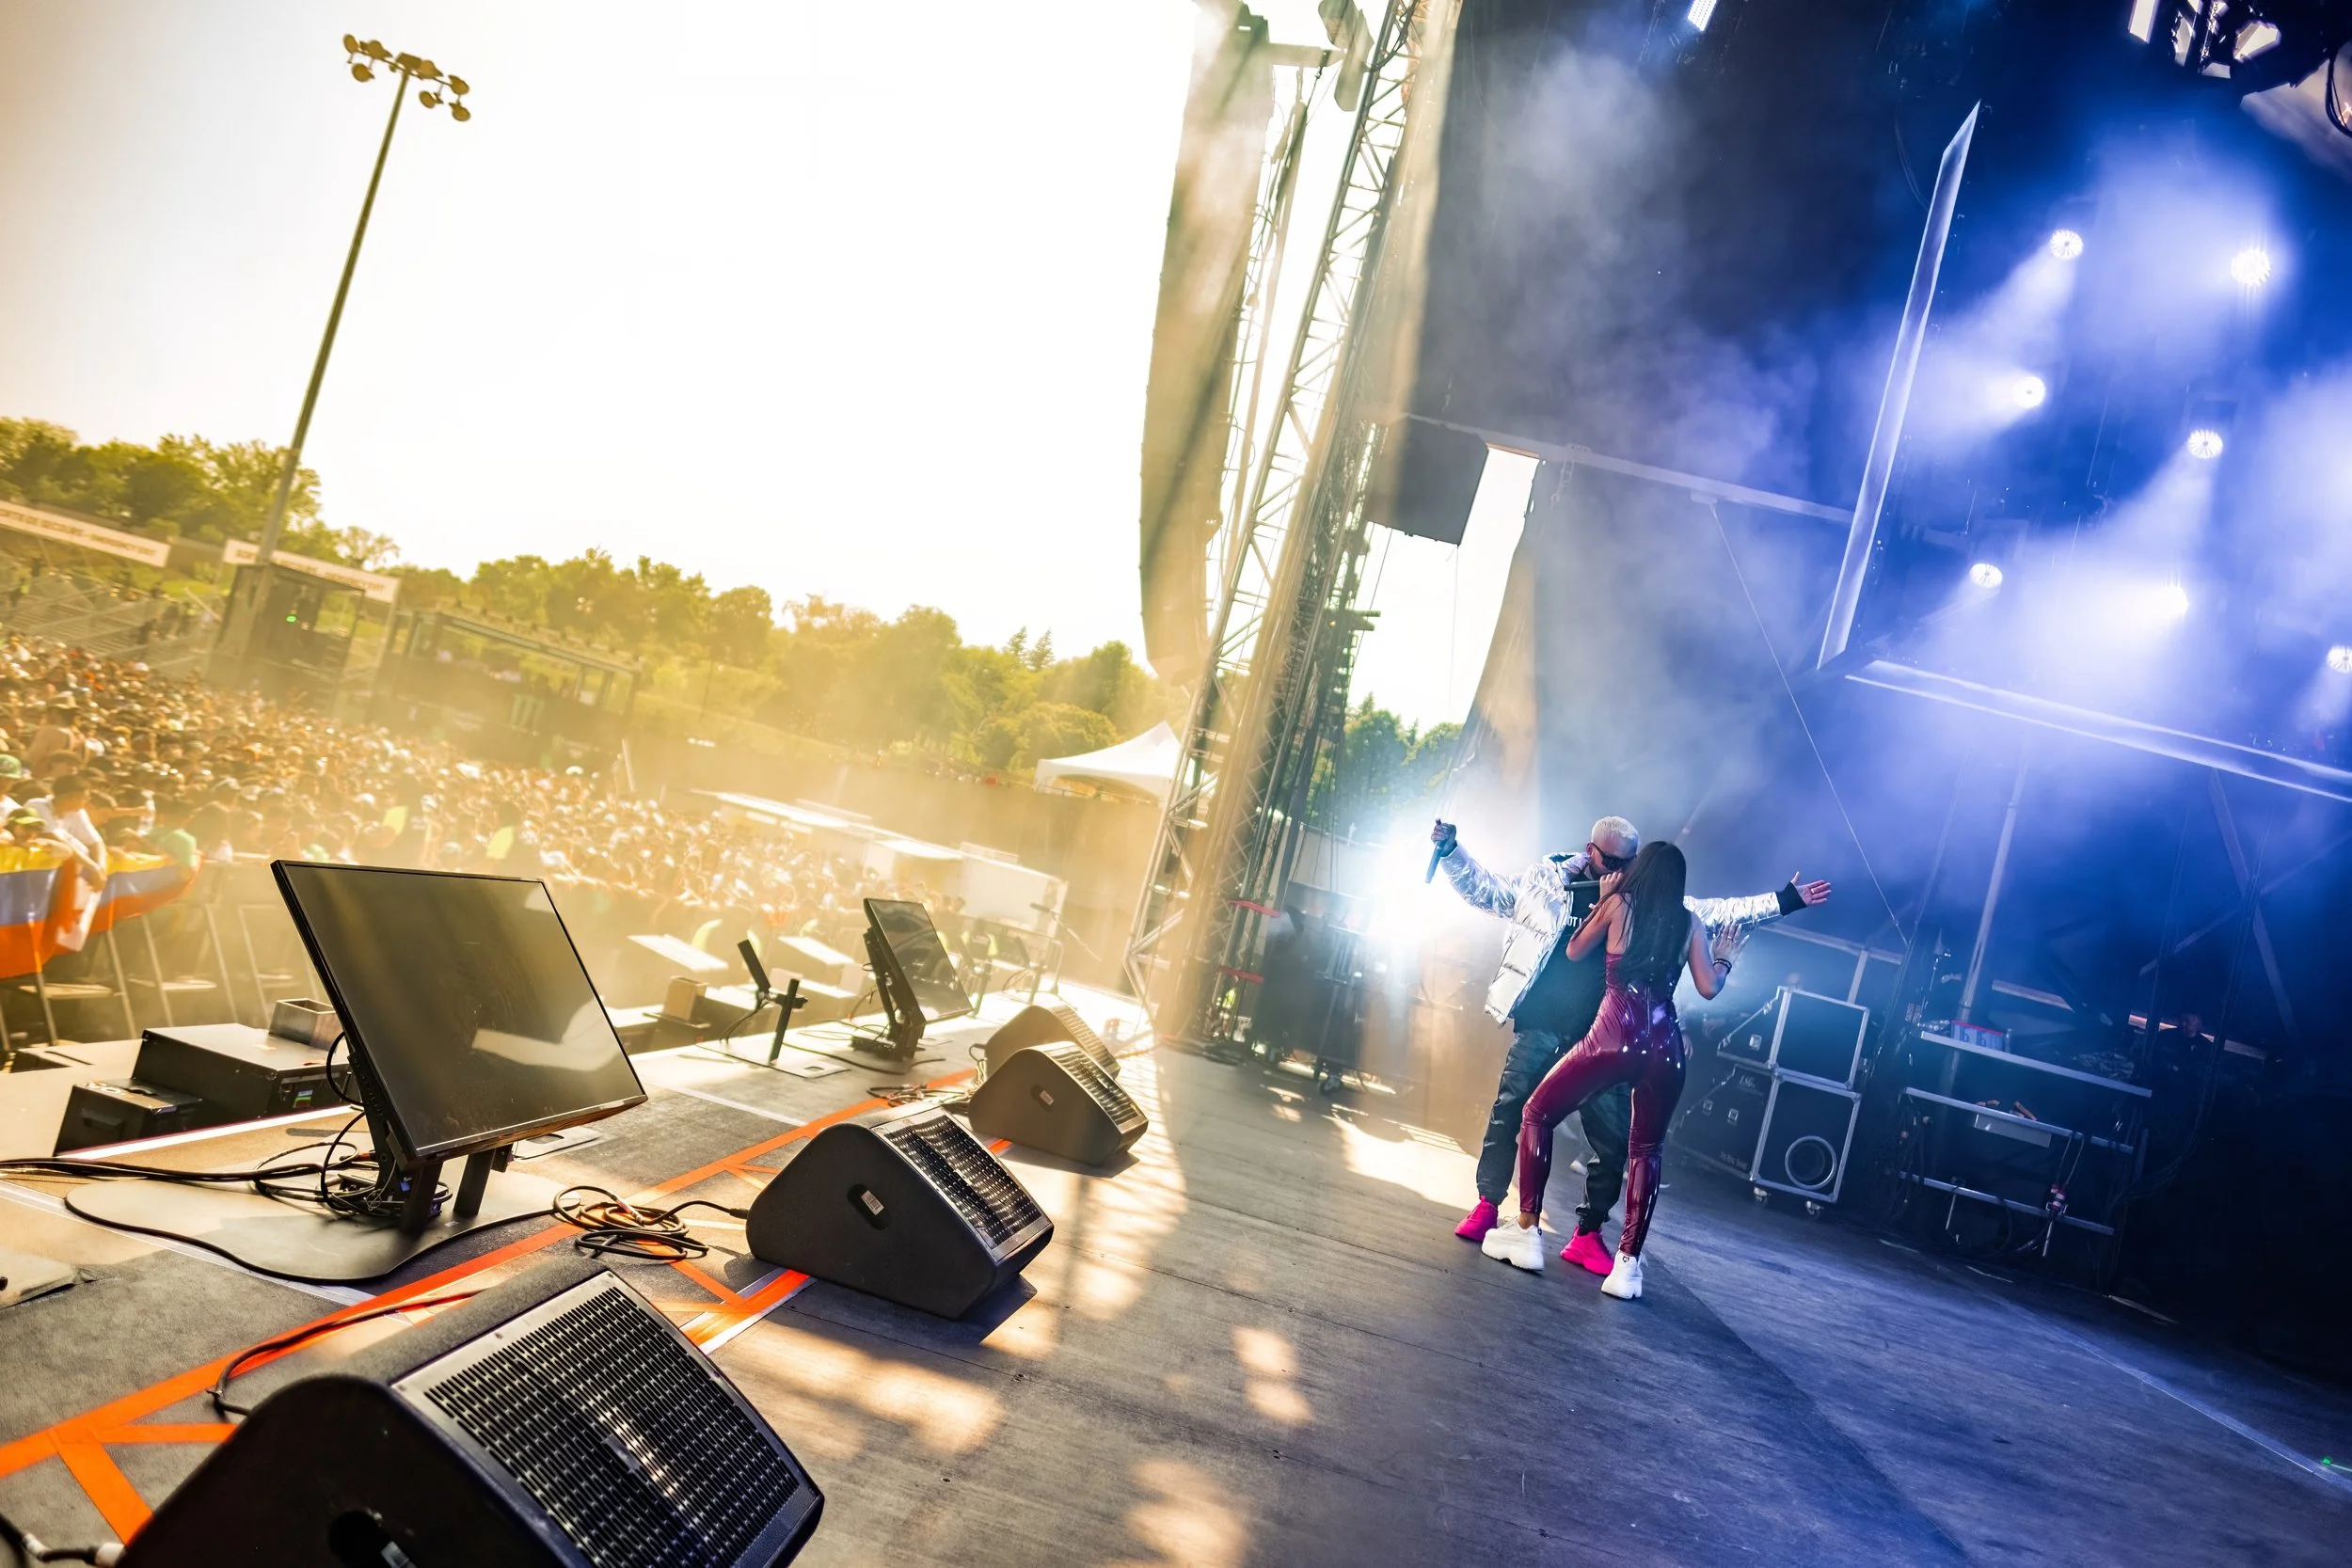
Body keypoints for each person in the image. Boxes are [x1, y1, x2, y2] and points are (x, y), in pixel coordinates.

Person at [1433, 815, 1829, 1271]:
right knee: (1511, 1111)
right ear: (1591, 850)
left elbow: (1714, 915)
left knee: (1613, 1141)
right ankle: (1488, 1206)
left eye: (1629, 862)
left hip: (1602, 1035)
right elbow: (1490, 892)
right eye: (1612, 861)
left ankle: (1587, 1234)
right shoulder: (1547, 882)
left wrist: (1784, 901)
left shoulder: (1639, 896)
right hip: (1543, 1020)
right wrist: (1451, 853)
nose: (1620, 870)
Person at [1479, 841, 1738, 1299]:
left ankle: (1526, 1231)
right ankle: (1627, 1267)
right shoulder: (1690, 923)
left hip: (1614, 1036)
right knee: (1646, 1152)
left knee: (1537, 1114)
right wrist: (1723, 958)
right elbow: (1709, 987)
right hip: (1665, 1046)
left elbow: (1576, 951)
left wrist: (1601, 903)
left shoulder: (1619, 903)